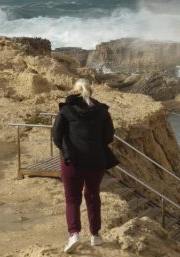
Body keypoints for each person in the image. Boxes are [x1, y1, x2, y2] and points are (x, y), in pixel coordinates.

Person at [52, 78, 118, 253]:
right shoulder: (102, 112)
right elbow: (109, 136)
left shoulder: (66, 110)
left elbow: (56, 135)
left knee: (72, 198)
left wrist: (66, 150)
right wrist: (94, 146)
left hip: (72, 161)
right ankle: (95, 235)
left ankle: (74, 235)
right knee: (93, 195)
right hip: (96, 161)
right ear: (91, 91)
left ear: (75, 90)